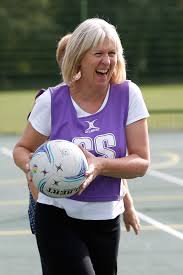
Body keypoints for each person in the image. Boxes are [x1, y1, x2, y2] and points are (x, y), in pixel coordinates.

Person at [13, 18, 150, 275]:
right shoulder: (51, 100)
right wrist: (30, 167)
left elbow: (141, 162)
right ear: (79, 57)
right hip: (57, 214)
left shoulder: (129, 95)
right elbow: (22, 148)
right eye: (98, 54)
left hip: (106, 217)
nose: (106, 61)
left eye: (112, 54)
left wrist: (100, 166)